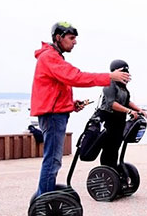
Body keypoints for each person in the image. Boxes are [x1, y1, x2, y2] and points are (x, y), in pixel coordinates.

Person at [31, 21, 131, 197]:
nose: (74, 42)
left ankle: (44, 196)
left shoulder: (53, 57)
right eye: (71, 38)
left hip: (56, 114)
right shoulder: (50, 57)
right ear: (58, 38)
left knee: (54, 160)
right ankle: (44, 202)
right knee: (53, 160)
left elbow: (55, 91)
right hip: (53, 116)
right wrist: (109, 76)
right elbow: (75, 77)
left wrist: (72, 104)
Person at [96, 60, 146, 170]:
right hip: (109, 119)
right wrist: (129, 111)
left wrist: (139, 110)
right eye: (123, 71)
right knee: (109, 147)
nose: (126, 74)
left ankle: (113, 169)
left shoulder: (123, 86)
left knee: (116, 146)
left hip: (119, 120)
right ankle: (106, 170)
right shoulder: (109, 84)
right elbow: (112, 103)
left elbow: (127, 101)